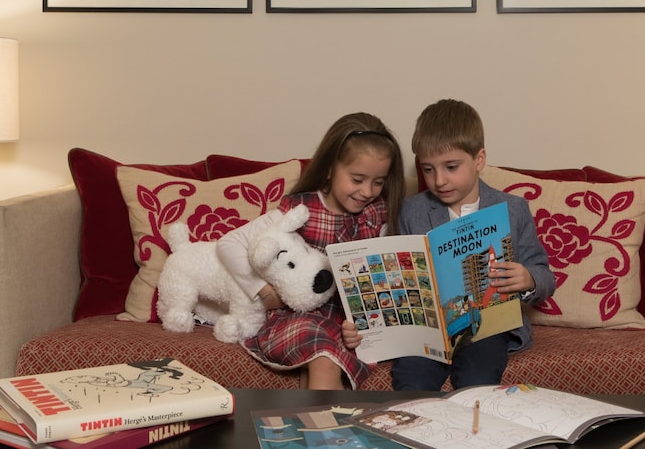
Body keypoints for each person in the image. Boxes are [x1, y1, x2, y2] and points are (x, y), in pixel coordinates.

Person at [216, 112, 405, 389]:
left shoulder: (378, 215)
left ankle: (321, 418)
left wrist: (365, 326)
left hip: (346, 323)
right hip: (297, 316)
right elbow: (228, 244)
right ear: (329, 169)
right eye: (357, 179)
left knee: (321, 366)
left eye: (378, 182)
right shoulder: (300, 210)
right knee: (323, 359)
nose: (367, 191)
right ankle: (333, 418)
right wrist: (262, 290)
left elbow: (380, 285)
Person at [389, 99, 555, 391]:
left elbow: (544, 274)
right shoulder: (411, 211)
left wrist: (528, 278)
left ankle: (471, 421)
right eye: (428, 169)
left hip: (487, 326)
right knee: (412, 376)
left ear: (479, 160)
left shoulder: (512, 208)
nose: (439, 180)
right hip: (431, 330)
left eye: (451, 167)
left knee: (479, 375)